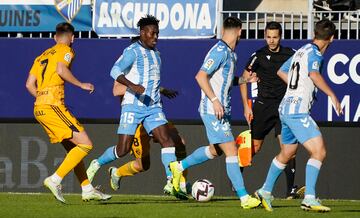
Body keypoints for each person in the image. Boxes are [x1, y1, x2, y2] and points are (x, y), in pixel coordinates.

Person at [85, 14, 187, 199]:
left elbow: (150, 81)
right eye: (152, 33)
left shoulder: (157, 55)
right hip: (132, 107)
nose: (155, 37)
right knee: (123, 150)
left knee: (168, 141)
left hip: (153, 107)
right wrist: (131, 86)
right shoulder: (132, 51)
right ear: (142, 33)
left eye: (157, 33)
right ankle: (97, 164)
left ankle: (171, 181)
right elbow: (114, 71)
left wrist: (163, 90)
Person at [169, 17, 261, 209]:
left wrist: (245, 81)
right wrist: (214, 100)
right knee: (231, 151)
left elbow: (226, 81)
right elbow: (200, 76)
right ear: (240, 31)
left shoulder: (231, 54)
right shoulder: (219, 51)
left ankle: (178, 167)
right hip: (213, 110)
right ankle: (244, 198)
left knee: (215, 150)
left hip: (222, 111)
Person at [255, 19, 342, 212]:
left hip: (285, 108)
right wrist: (332, 95)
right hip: (297, 112)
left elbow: (281, 71)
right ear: (332, 38)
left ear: (314, 34)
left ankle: (265, 191)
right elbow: (313, 74)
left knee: (287, 153)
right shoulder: (315, 54)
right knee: (319, 152)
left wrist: (297, 88)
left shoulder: (301, 50)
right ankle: (309, 198)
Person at [25, 22, 111, 203]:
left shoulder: (40, 57)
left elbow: (29, 84)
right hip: (52, 105)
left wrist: (41, 97)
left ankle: (87, 188)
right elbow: (61, 69)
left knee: (74, 149)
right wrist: (81, 84)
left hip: (39, 107)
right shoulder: (67, 50)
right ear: (72, 38)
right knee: (86, 145)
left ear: (54, 37)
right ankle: (55, 179)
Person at [86, 81, 189, 196]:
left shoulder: (147, 65)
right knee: (142, 165)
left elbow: (149, 82)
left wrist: (162, 90)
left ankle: (180, 183)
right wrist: (138, 88)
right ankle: (114, 171)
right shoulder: (125, 68)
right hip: (137, 121)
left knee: (178, 142)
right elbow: (117, 90)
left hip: (153, 114)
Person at [240, 21, 304, 199]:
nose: (272, 40)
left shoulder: (290, 54)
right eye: (268, 37)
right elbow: (243, 79)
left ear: (280, 37)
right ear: (264, 37)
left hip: (284, 108)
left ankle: (290, 189)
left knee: (288, 148)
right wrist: (246, 106)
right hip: (263, 107)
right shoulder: (258, 55)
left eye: (275, 37)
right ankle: (236, 179)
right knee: (254, 147)